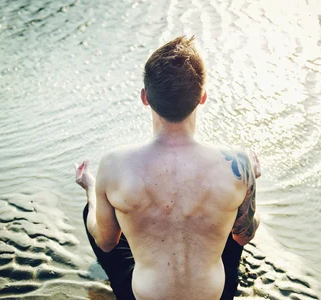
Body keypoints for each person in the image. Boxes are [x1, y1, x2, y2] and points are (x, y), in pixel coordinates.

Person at [75, 36, 261, 300]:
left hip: (143, 296)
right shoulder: (238, 163)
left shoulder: (114, 164)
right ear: (203, 97)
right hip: (215, 296)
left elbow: (106, 242)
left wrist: (91, 188)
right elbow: (245, 236)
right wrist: (249, 181)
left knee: (95, 208)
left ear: (145, 98)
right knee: (231, 211)